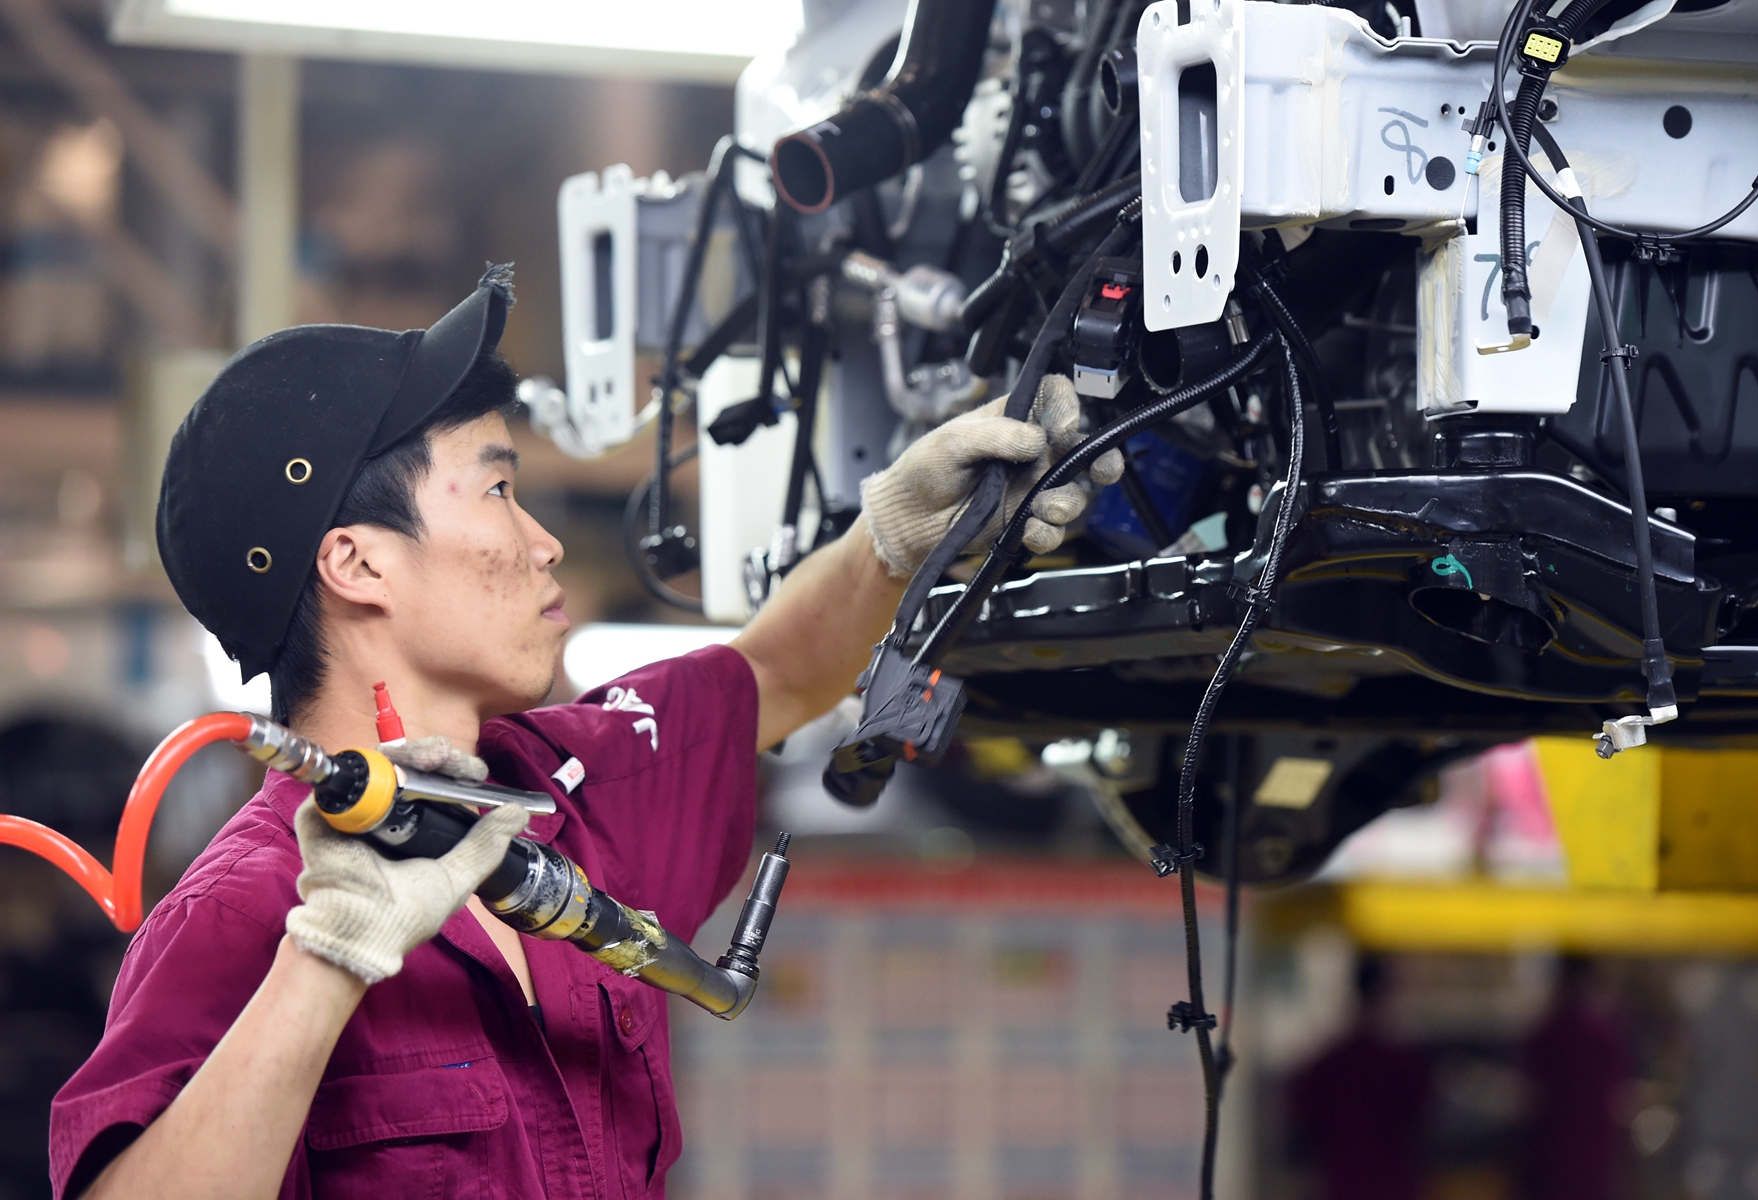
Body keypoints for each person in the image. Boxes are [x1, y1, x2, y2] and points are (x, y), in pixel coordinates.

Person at [47, 267, 1120, 1200]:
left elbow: (778, 670)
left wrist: (901, 531)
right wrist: (326, 958)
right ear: (358, 564)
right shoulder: (241, 912)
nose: (549, 543)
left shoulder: (578, 786)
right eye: (501, 489)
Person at [1289, 955, 1434, 1200]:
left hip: (1342, 1182)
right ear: (1386, 993)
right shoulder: (1398, 1062)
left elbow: (1301, 1114)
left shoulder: (1332, 1062)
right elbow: (1422, 1119)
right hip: (1390, 1184)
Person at [1518, 956, 1631, 1200]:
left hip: (1555, 1155)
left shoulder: (1550, 1033)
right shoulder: (1605, 1034)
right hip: (1592, 1153)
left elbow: (1529, 1096)